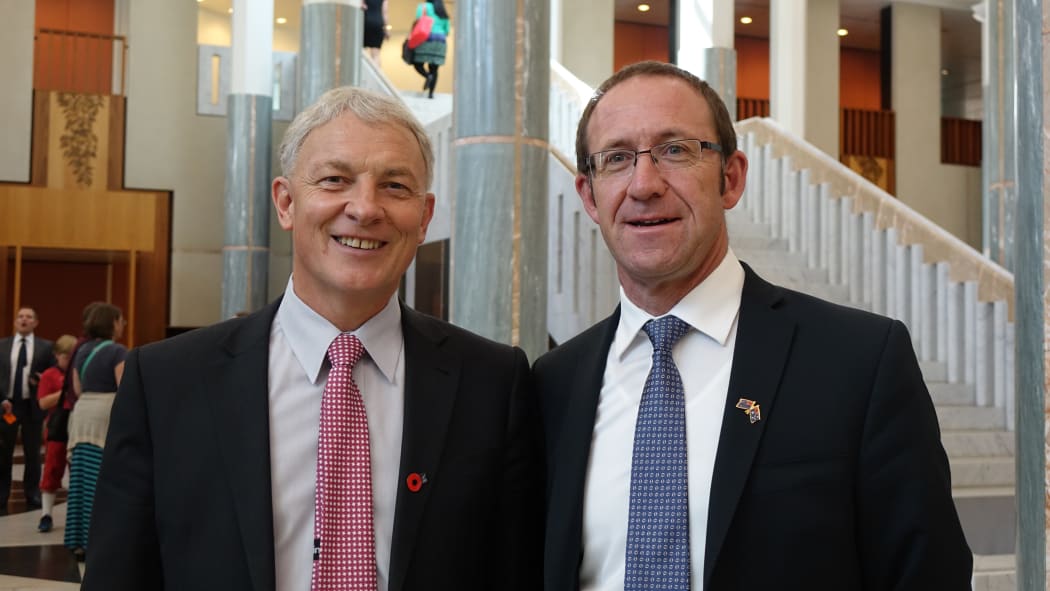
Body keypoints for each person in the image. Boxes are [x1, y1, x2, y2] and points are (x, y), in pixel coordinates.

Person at [533, 61, 973, 590]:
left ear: (731, 177)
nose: (644, 184)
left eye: (676, 150)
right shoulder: (552, 384)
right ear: (589, 196)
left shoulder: (859, 363)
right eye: (617, 158)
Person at [81, 86, 543, 590]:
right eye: (334, 179)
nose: (365, 208)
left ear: (425, 215)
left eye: (394, 186)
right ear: (286, 202)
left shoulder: (493, 385)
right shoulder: (168, 383)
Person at [64, 302, 127, 561]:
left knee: (80, 479)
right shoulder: (117, 351)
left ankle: (77, 540)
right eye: (121, 319)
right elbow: (125, 388)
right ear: (112, 322)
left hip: (82, 415)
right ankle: (99, 541)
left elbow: (77, 388)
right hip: (104, 414)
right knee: (102, 481)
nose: (123, 324)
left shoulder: (82, 350)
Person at [0, 307, 55, 515]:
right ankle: (1, 495)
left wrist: (42, 380)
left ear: (36, 322)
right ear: (15, 321)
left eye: (29, 317)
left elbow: (52, 374)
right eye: (20, 316)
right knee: (4, 453)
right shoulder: (2, 346)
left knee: (33, 454)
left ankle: (32, 494)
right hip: (8, 405)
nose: (24, 319)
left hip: (32, 406)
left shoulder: (46, 347)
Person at [35, 333, 77, 532]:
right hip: (58, 425)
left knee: (77, 471)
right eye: (64, 356)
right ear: (57, 356)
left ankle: (76, 517)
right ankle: (46, 514)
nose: (67, 360)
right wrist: (65, 392)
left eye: (71, 356)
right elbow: (43, 402)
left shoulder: (78, 371)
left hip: (76, 424)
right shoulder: (49, 375)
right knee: (52, 468)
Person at [411, 0, 449, 99]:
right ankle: (431, 94)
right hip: (441, 41)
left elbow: (418, 20)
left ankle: (427, 76)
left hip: (426, 37)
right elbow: (447, 31)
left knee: (417, 63)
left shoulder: (423, 7)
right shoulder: (442, 10)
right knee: (434, 68)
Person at [362, 0, 388, 65]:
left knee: (362, 53)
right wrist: (387, 29)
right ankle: (375, 73)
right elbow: (385, 12)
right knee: (376, 55)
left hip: (365, 22)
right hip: (377, 23)